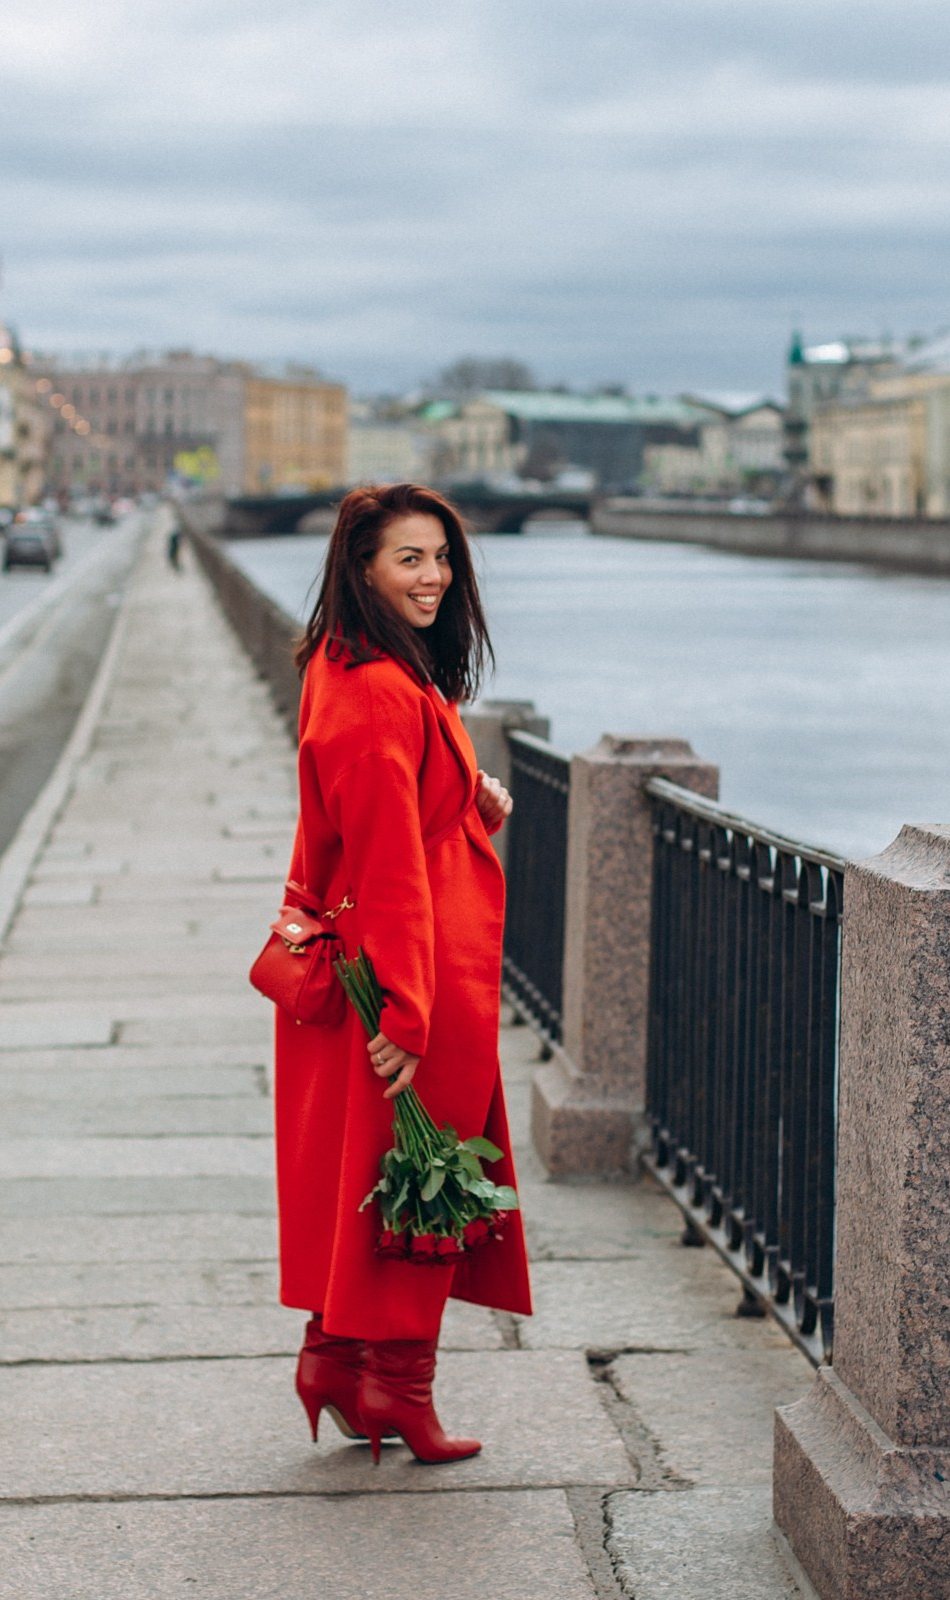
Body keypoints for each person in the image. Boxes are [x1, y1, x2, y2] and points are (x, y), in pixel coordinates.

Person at [273, 482, 531, 1464]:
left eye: (441, 558)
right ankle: (399, 1393)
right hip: (410, 980)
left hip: (371, 973)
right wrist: (411, 1017)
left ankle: (337, 1361)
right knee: (419, 1198)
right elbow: (382, 868)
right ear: (361, 569)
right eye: (408, 560)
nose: (433, 578)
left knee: (374, 1189)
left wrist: (468, 806)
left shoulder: (347, 669)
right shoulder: (381, 691)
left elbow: (372, 829)